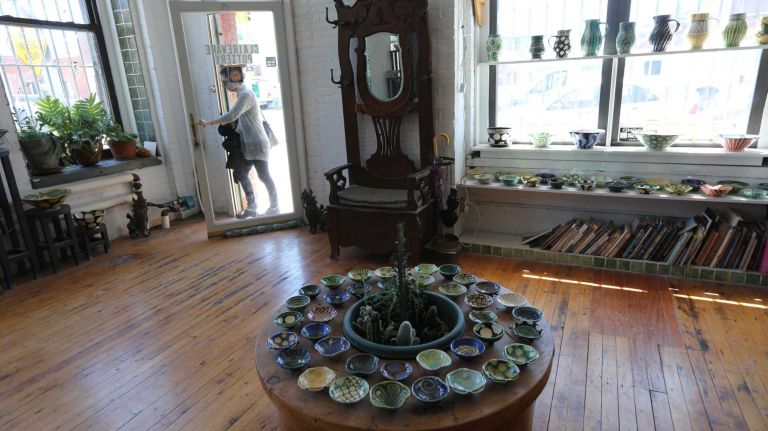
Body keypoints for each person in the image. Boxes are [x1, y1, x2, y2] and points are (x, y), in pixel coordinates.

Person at [198, 65, 278, 218]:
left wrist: (208, 123)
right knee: (241, 173)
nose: (224, 85)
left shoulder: (246, 95)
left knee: (263, 175)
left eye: (225, 81)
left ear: (234, 79)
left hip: (257, 143)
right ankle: (252, 207)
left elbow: (231, 116)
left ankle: (275, 206)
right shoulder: (242, 95)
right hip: (248, 144)